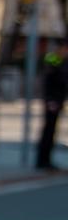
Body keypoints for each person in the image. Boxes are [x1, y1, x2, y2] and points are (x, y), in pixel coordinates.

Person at [36, 40, 68, 170]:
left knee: (52, 131)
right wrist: (50, 100)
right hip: (52, 101)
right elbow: (48, 82)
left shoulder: (62, 61)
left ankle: (46, 160)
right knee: (48, 131)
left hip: (58, 100)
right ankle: (42, 161)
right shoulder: (53, 60)